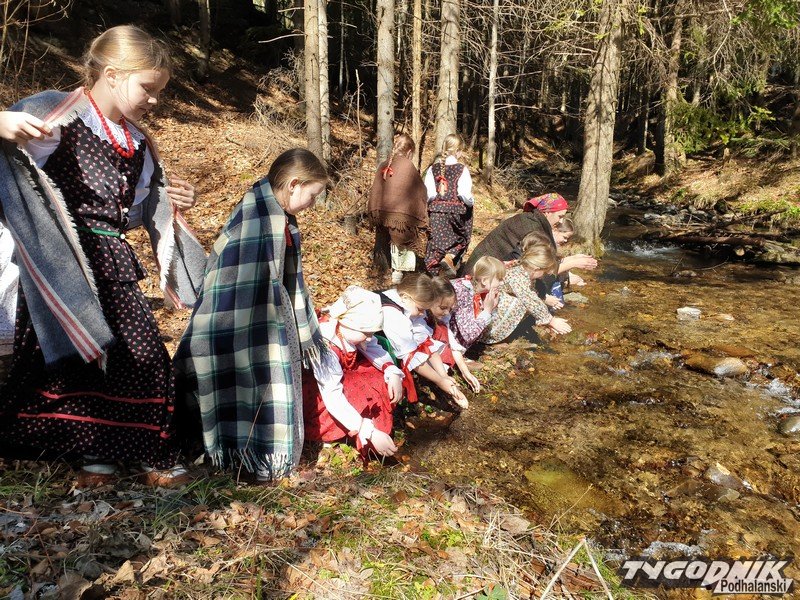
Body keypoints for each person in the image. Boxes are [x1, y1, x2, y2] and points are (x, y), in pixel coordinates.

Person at [0, 25, 205, 486]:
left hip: (112, 258)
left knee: (143, 354)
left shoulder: (137, 142)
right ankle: (97, 457)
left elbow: (133, 210)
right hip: (64, 265)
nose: (155, 100)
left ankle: (142, 450)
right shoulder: (54, 114)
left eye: (159, 91)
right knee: (87, 354)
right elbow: (12, 172)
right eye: (147, 88)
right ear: (112, 75)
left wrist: (172, 202)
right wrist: (0, 123)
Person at [174, 148, 329, 483]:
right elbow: (232, 280)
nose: (313, 203)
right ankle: (254, 458)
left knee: (264, 386)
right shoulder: (259, 219)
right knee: (256, 386)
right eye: (313, 195)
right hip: (246, 322)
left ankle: (258, 457)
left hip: (268, 316)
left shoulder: (277, 216)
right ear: (293, 184)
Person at [302, 285, 402, 458]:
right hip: (320, 392)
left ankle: (375, 428)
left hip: (341, 376)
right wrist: (368, 431)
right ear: (346, 322)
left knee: (377, 378)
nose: (370, 338)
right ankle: (353, 433)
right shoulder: (325, 346)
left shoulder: (351, 333)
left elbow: (373, 348)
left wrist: (392, 372)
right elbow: (332, 395)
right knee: (356, 391)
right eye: (366, 333)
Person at [378, 273, 468, 408]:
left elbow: (425, 342)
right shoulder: (392, 314)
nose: (422, 314)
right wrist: (439, 381)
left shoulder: (410, 304)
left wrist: (443, 376)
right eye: (420, 309)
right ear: (406, 297)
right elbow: (410, 355)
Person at [480, 239, 572, 345]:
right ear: (536, 269)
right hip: (489, 312)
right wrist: (551, 320)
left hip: (493, 306)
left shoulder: (522, 270)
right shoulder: (518, 278)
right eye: (544, 272)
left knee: (528, 302)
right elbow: (530, 300)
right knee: (520, 304)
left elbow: (533, 295)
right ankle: (492, 336)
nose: (543, 276)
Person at [368, 134, 428, 284]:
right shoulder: (408, 166)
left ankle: (383, 270)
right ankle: (399, 272)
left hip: (382, 213)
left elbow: (375, 190)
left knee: (386, 237)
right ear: (409, 152)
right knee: (402, 237)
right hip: (400, 217)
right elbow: (420, 191)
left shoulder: (384, 164)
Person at [423, 134, 474, 276]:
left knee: (436, 244)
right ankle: (450, 257)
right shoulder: (462, 169)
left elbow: (429, 195)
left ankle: (434, 275)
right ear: (458, 151)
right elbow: (464, 195)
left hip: (436, 212)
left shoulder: (432, 169)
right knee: (461, 239)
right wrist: (471, 202)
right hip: (455, 213)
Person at [423, 276, 481, 394]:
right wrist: (442, 379)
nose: (446, 312)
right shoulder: (420, 320)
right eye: (443, 308)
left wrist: (466, 372)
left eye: (450, 309)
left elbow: (452, 345)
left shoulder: (442, 319)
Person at [449, 256, 504, 351]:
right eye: (499, 279)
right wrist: (487, 311)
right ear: (484, 280)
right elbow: (469, 334)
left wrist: (491, 307)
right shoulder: (463, 292)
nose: (502, 283)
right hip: (447, 344)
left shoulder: (474, 290)